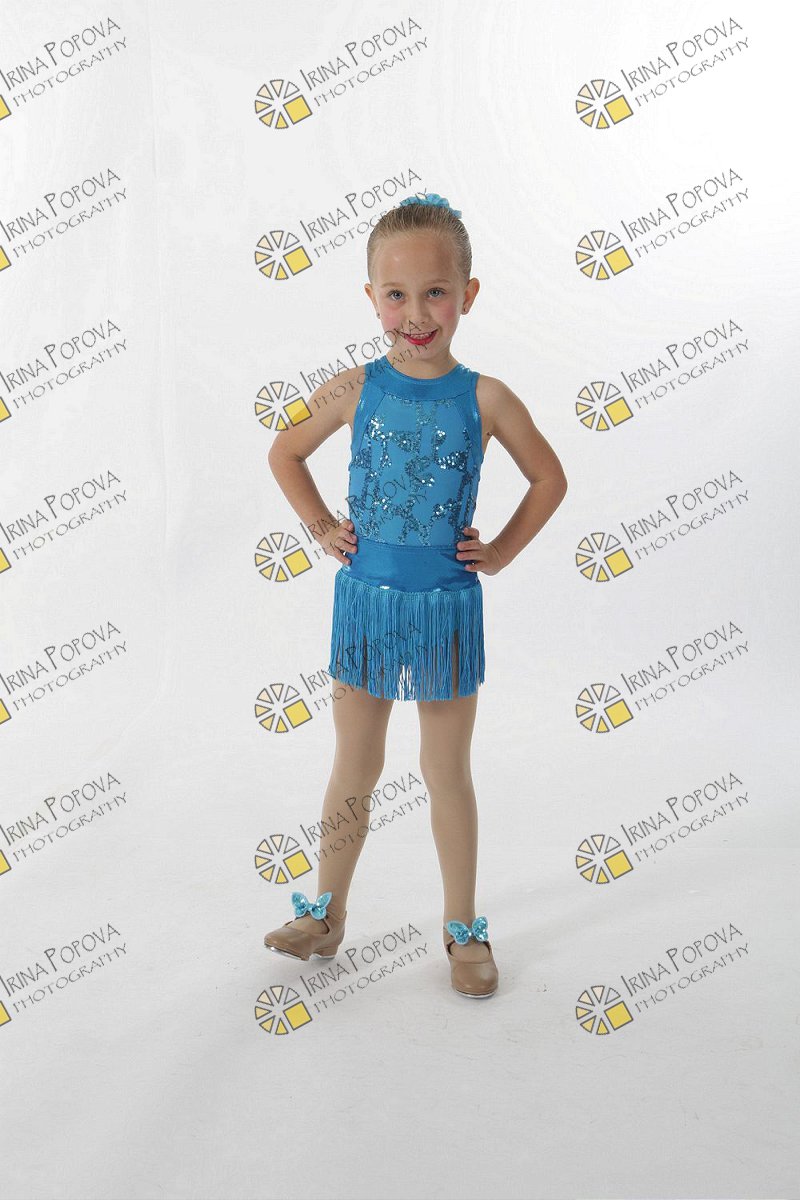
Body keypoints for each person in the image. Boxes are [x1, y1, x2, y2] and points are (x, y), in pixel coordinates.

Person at [264, 192, 568, 998]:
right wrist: (321, 527)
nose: (416, 313)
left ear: (469, 294)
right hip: (366, 605)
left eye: (436, 292)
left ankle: (462, 927)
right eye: (396, 295)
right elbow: (285, 452)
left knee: (445, 770)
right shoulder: (353, 389)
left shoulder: (486, 398)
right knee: (354, 764)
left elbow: (549, 478)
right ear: (371, 298)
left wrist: (499, 553)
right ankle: (325, 913)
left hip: (444, 612)